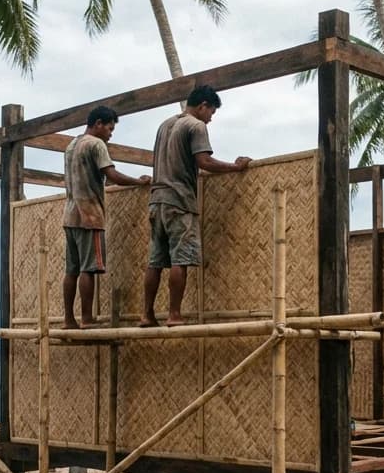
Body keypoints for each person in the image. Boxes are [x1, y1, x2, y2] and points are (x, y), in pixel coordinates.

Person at [140, 85, 251, 327]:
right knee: (180, 259)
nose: (210, 118)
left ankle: (147, 315)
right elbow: (205, 161)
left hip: (156, 200)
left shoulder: (165, 125)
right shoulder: (196, 126)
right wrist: (235, 167)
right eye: (211, 112)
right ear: (203, 106)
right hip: (179, 201)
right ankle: (174, 315)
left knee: (155, 261)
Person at [62, 106, 151, 329]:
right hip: (89, 215)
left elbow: (95, 175)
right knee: (88, 269)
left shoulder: (72, 145)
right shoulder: (96, 144)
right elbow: (112, 174)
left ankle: (69, 319)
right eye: (110, 129)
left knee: (71, 270)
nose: (110, 134)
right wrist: (138, 182)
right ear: (98, 123)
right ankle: (87, 319)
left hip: (70, 215)